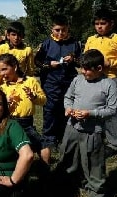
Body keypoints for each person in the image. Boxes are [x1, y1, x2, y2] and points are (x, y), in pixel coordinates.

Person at [55, 49, 117, 197]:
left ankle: (97, 193)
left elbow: (112, 109)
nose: (84, 72)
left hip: (93, 130)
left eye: (88, 69)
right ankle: (67, 185)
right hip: (72, 127)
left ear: (99, 68)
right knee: (68, 157)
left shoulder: (109, 84)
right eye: (82, 68)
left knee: (93, 161)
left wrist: (91, 114)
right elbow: (68, 97)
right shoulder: (78, 80)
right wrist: (68, 108)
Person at [83, 8, 117, 156]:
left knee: (112, 112)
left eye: (103, 23)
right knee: (94, 108)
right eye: (97, 24)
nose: (99, 26)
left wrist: (111, 64)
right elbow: (85, 57)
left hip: (110, 79)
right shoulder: (91, 39)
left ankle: (115, 143)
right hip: (93, 80)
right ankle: (96, 137)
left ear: (111, 24)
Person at [35, 15, 82, 155]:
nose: (60, 33)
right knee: (50, 110)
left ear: (68, 30)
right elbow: (37, 62)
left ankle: (64, 137)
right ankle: (49, 139)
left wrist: (73, 59)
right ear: (52, 29)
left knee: (66, 109)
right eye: (57, 30)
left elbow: (81, 61)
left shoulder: (74, 43)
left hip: (69, 82)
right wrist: (48, 64)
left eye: (64, 30)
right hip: (50, 81)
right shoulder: (46, 44)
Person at [0, 53, 47, 163]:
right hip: (10, 122)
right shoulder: (3, 87)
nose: (2, 73)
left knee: (43, 146)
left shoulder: (30, 81)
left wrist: (34, 97)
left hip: (27, 122)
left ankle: (46, 172)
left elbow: (43, 100)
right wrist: (6, 104)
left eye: (4, 69)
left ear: (15, 66)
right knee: (12, 149)